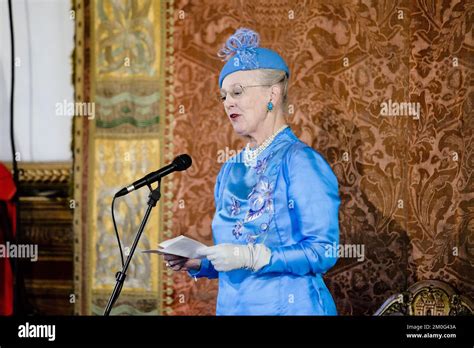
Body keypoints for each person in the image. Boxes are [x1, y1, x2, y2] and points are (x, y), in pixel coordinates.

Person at [162, 28, 340, 315]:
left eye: (237, 92)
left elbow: (323, 252)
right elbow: (234, 253)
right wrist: (202, 263)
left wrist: (252, 256)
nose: (228, 102)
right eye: (223, 96)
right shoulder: (230, 169)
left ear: (273, 92)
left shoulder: (301, 162)